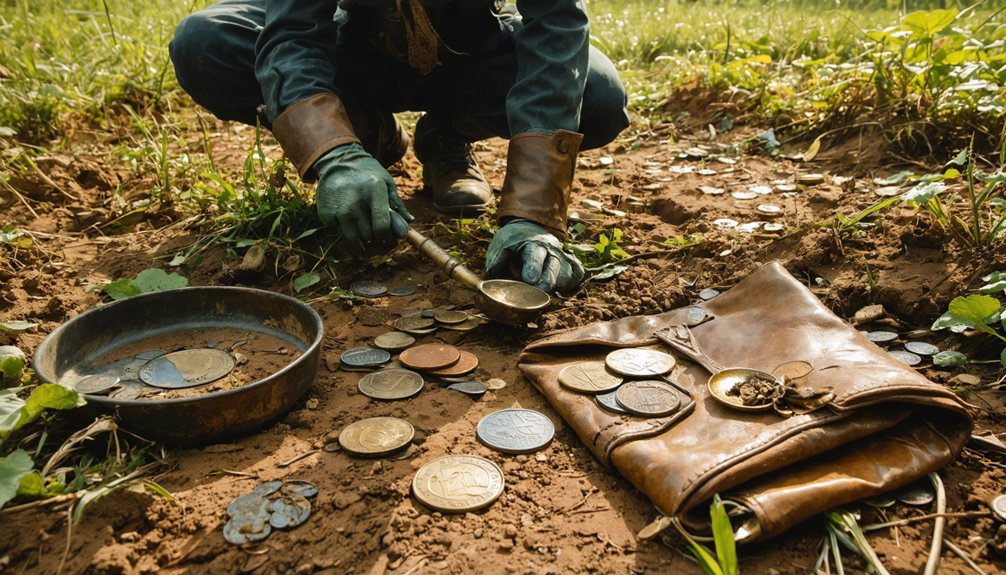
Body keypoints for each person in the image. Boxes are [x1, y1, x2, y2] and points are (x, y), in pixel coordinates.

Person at [169, 0, 629, 293]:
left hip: (470, 56)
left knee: (599, 96)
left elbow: (556, 25)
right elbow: (292, 34)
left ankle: (448, 132)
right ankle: (364, 134)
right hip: (353, 47)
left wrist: (533, 215)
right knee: (204, 41)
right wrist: (334, 151)